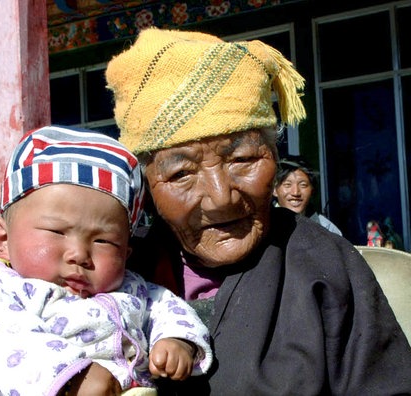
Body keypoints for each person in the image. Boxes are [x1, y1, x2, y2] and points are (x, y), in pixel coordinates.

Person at [105, 28, 411, 394]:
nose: (221, 197)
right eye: (182, 173)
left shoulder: (322, 261)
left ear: (275, 158)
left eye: (244, 158)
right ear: (147, 184)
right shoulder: (111, 269)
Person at [0, 125, 213, 396]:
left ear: (126, 253)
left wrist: (177, 341)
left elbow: (170, 309)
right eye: (56, 232)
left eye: (103, 241)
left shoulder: (136, 290)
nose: (79, 254)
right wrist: (72, 375)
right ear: (3, 240)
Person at [273, 157, 343, 236]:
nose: (295, 192)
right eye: (287, 185)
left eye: (303, 185)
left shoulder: (327, 229)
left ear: (312, 190)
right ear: (274, 190)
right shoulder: (263, 226)